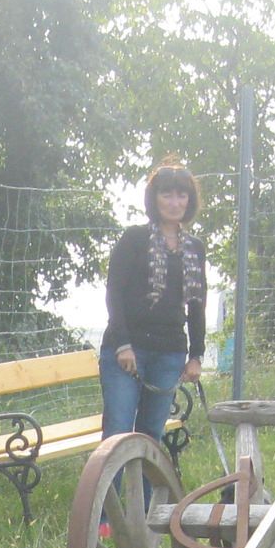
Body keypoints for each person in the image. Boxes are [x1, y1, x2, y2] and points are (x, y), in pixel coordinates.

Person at [100, 159, 207, 445]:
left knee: (151, 436)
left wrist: (196, 355)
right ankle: (108, 491)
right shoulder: (134, 238)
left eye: (181, 195)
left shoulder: (195, 248)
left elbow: (197, 305)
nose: (174, 202)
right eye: (166, 194)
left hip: (169, 353)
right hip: (126, 352)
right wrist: (123, 345)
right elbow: (114, 293)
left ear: (189, 199)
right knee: (118, 435)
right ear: (154, 198)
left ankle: (146, 493)